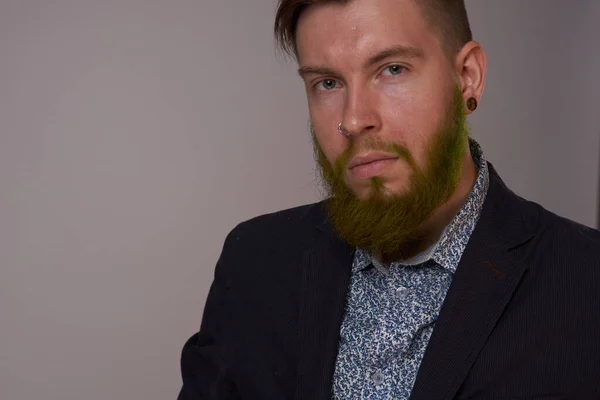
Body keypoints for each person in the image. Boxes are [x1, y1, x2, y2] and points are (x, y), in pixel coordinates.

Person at [178, 0, 600, 398]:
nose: (354, 118)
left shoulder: (585, 281)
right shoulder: (252, 261)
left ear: (467, 76)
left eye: (392, 69)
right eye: (327, 83)